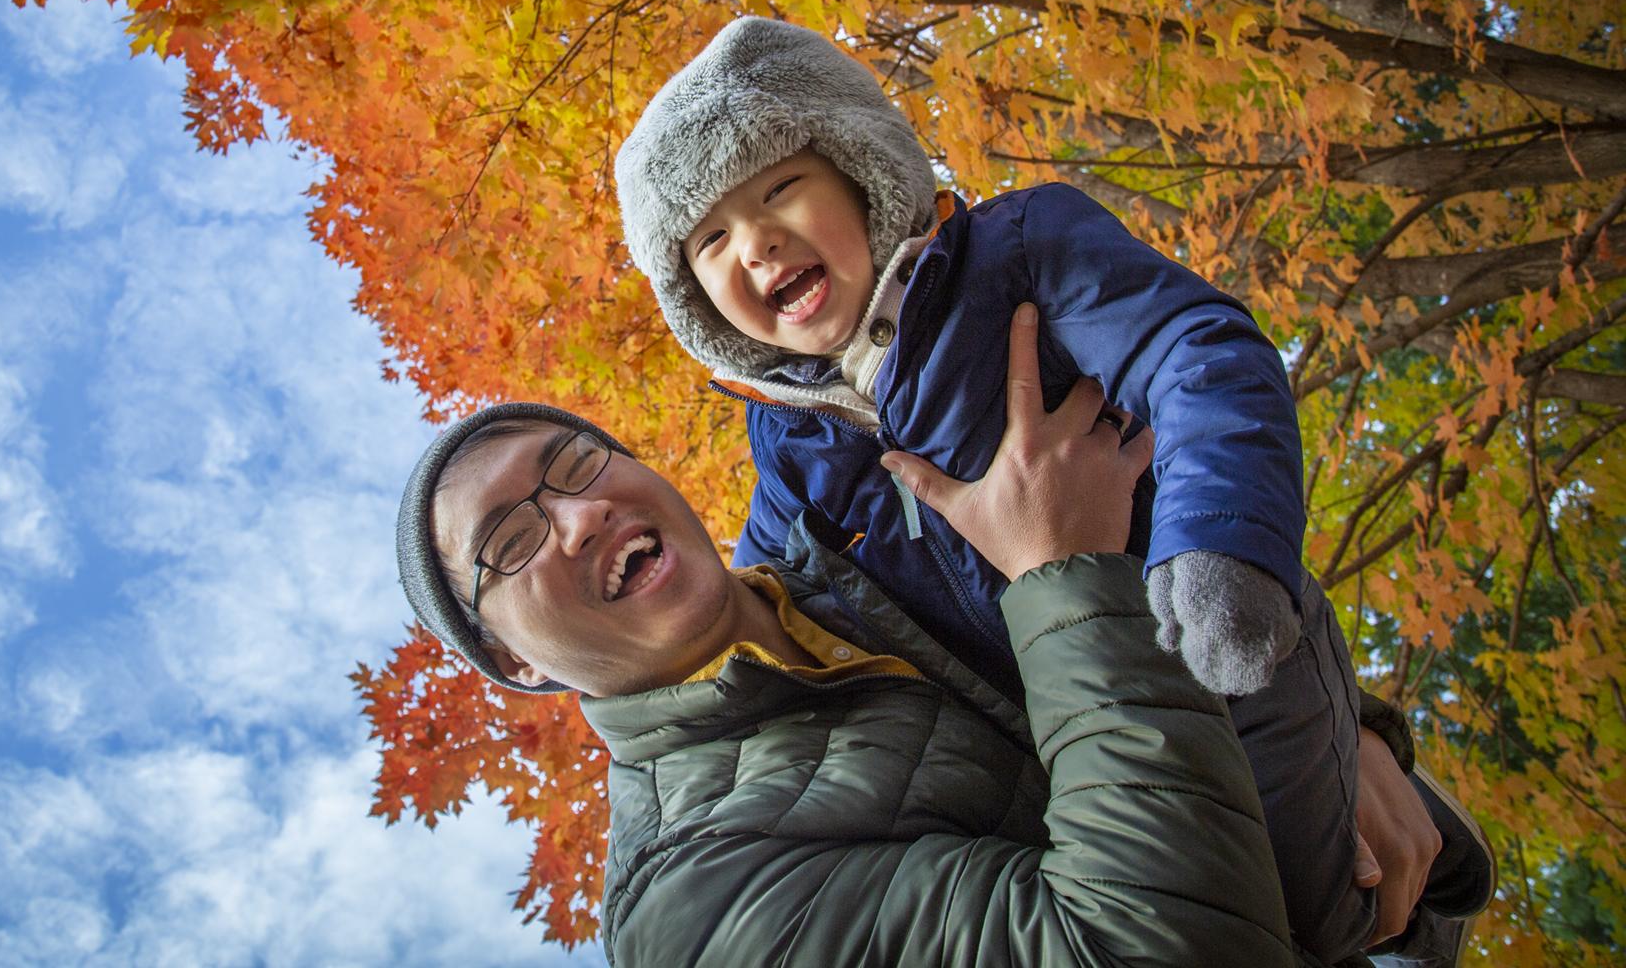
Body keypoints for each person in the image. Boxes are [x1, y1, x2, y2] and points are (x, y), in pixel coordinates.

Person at [613, 17, 1492, 963]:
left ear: (860, 169)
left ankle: (1420, 897)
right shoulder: (789, 437)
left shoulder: (1012, 257)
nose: (755, 244)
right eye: (710, 240)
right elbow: (777, 590)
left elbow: (1194, 356)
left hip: (1206, 634)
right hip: (1066, 728)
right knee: (1232, 894)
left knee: (1332, 898)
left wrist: (1223, 549)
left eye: (780, 187)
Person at [396, 308, 1310, 966]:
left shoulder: (848, 532)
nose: (578, 517)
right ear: (515, 662)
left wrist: (1328, 739)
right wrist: (1062, 575)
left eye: (575, 463)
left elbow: (1181, 558)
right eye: (509, 544)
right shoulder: (686, 908)